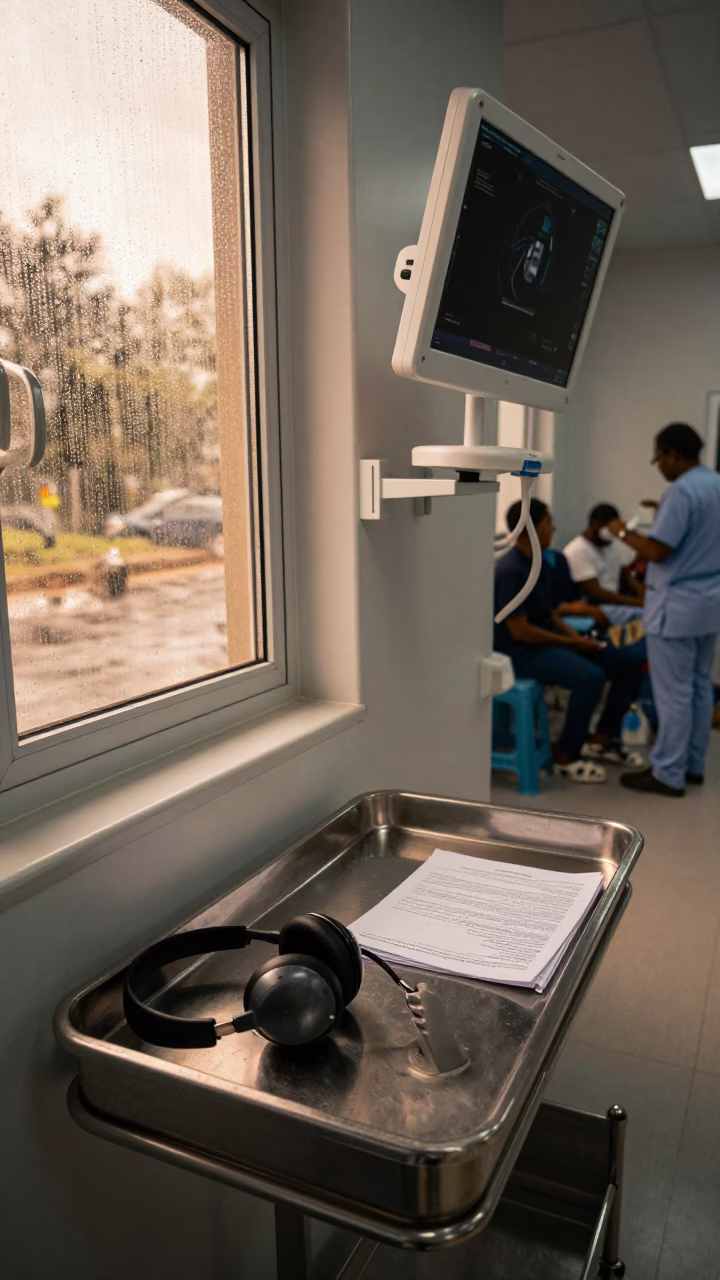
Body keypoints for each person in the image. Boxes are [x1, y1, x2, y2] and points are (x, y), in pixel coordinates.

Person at [605, 423, 720, 796]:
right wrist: (663, 512)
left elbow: (658, 551)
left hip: (677, 607)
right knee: (701, 686)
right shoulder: (714, 484)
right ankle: (692, 766)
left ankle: (667, 774)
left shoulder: (681, 492)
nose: (658, 465)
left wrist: (621, 531)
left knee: (673, 693)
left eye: (658, 457)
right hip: (708, 602)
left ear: (673, 454)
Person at [494, 499, 643, 783]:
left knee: (628, 662)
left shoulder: (536, 563)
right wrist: (573, 644)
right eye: (547, 523)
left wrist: (577, 638)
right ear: (529, 531)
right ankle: (567, 755)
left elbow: (549, 614)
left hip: (545, 643)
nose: (553, 528)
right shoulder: (511, 571)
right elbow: (521, 631)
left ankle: (602, 739)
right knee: (590, 677)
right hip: (520, 652)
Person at [564, 503, 644, 625]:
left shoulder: (609, 548)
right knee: (645, 617)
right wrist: (637, 603)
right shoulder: (577, 550)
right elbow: (597, 594)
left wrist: (647, 596)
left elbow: (626, 578)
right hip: (598, 606)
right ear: (595, 525)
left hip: (617, 603)